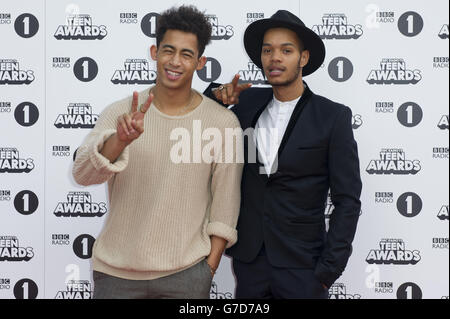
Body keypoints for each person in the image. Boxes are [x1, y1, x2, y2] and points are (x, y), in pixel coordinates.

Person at [72, 5, 243, 299]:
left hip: (187, 276)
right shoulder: (121, 113)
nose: (175, 61)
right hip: (116, 275)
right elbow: (83, 175)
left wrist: (208, 268)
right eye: (168, 50)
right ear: (154, 52)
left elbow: (225, 206)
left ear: (200, 62)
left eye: (186, 54)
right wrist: (120, 141)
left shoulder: (222, 123)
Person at [205, 10, 362, 299]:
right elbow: (197, 115)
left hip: (304, 267)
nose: (274, 58)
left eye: (286, 50)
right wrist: (215, 95)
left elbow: (347, 201)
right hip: (250, 264)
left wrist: (328, 271)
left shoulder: (332, 116)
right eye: (268, 50)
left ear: (303, 58)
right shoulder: (246, 104)